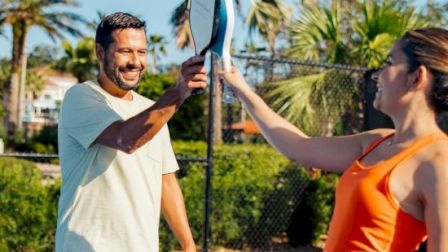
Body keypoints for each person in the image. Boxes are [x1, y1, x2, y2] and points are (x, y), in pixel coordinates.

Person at [220, 27, 448, 252]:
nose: (378, 74)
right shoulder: (376, 142)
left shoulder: (439, 162)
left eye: (390, 62)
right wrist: (241, 89)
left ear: (417, 77)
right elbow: (298, 146)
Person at [55, 12, 207, 251]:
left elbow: (166, 182)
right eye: (125, 51)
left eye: (142, 52)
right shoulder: (80, 97)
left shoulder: (153, 110)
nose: (135, 61)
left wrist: (188, 246)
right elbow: (125, 139)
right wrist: (177, 92)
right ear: (100, 52)